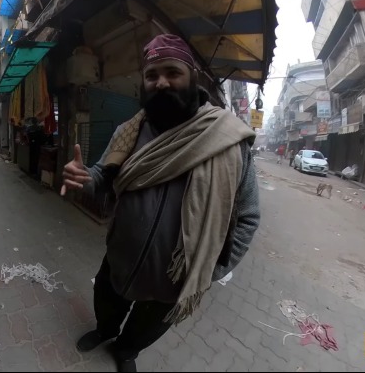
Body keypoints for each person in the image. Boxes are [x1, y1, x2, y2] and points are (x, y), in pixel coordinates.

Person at [61, 34, 260, 372]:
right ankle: (105, 331)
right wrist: (85, 179)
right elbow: (103, 176)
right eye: (151, 75)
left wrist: (211, 269)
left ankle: (125, 351)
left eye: (172, 72)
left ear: (192, 77)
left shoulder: (228, 141)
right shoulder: (129, 131)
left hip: (176, 279)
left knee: (146, 327)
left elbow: (248, 218)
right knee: (107, 304)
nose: (161, 82)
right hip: (121, 259)